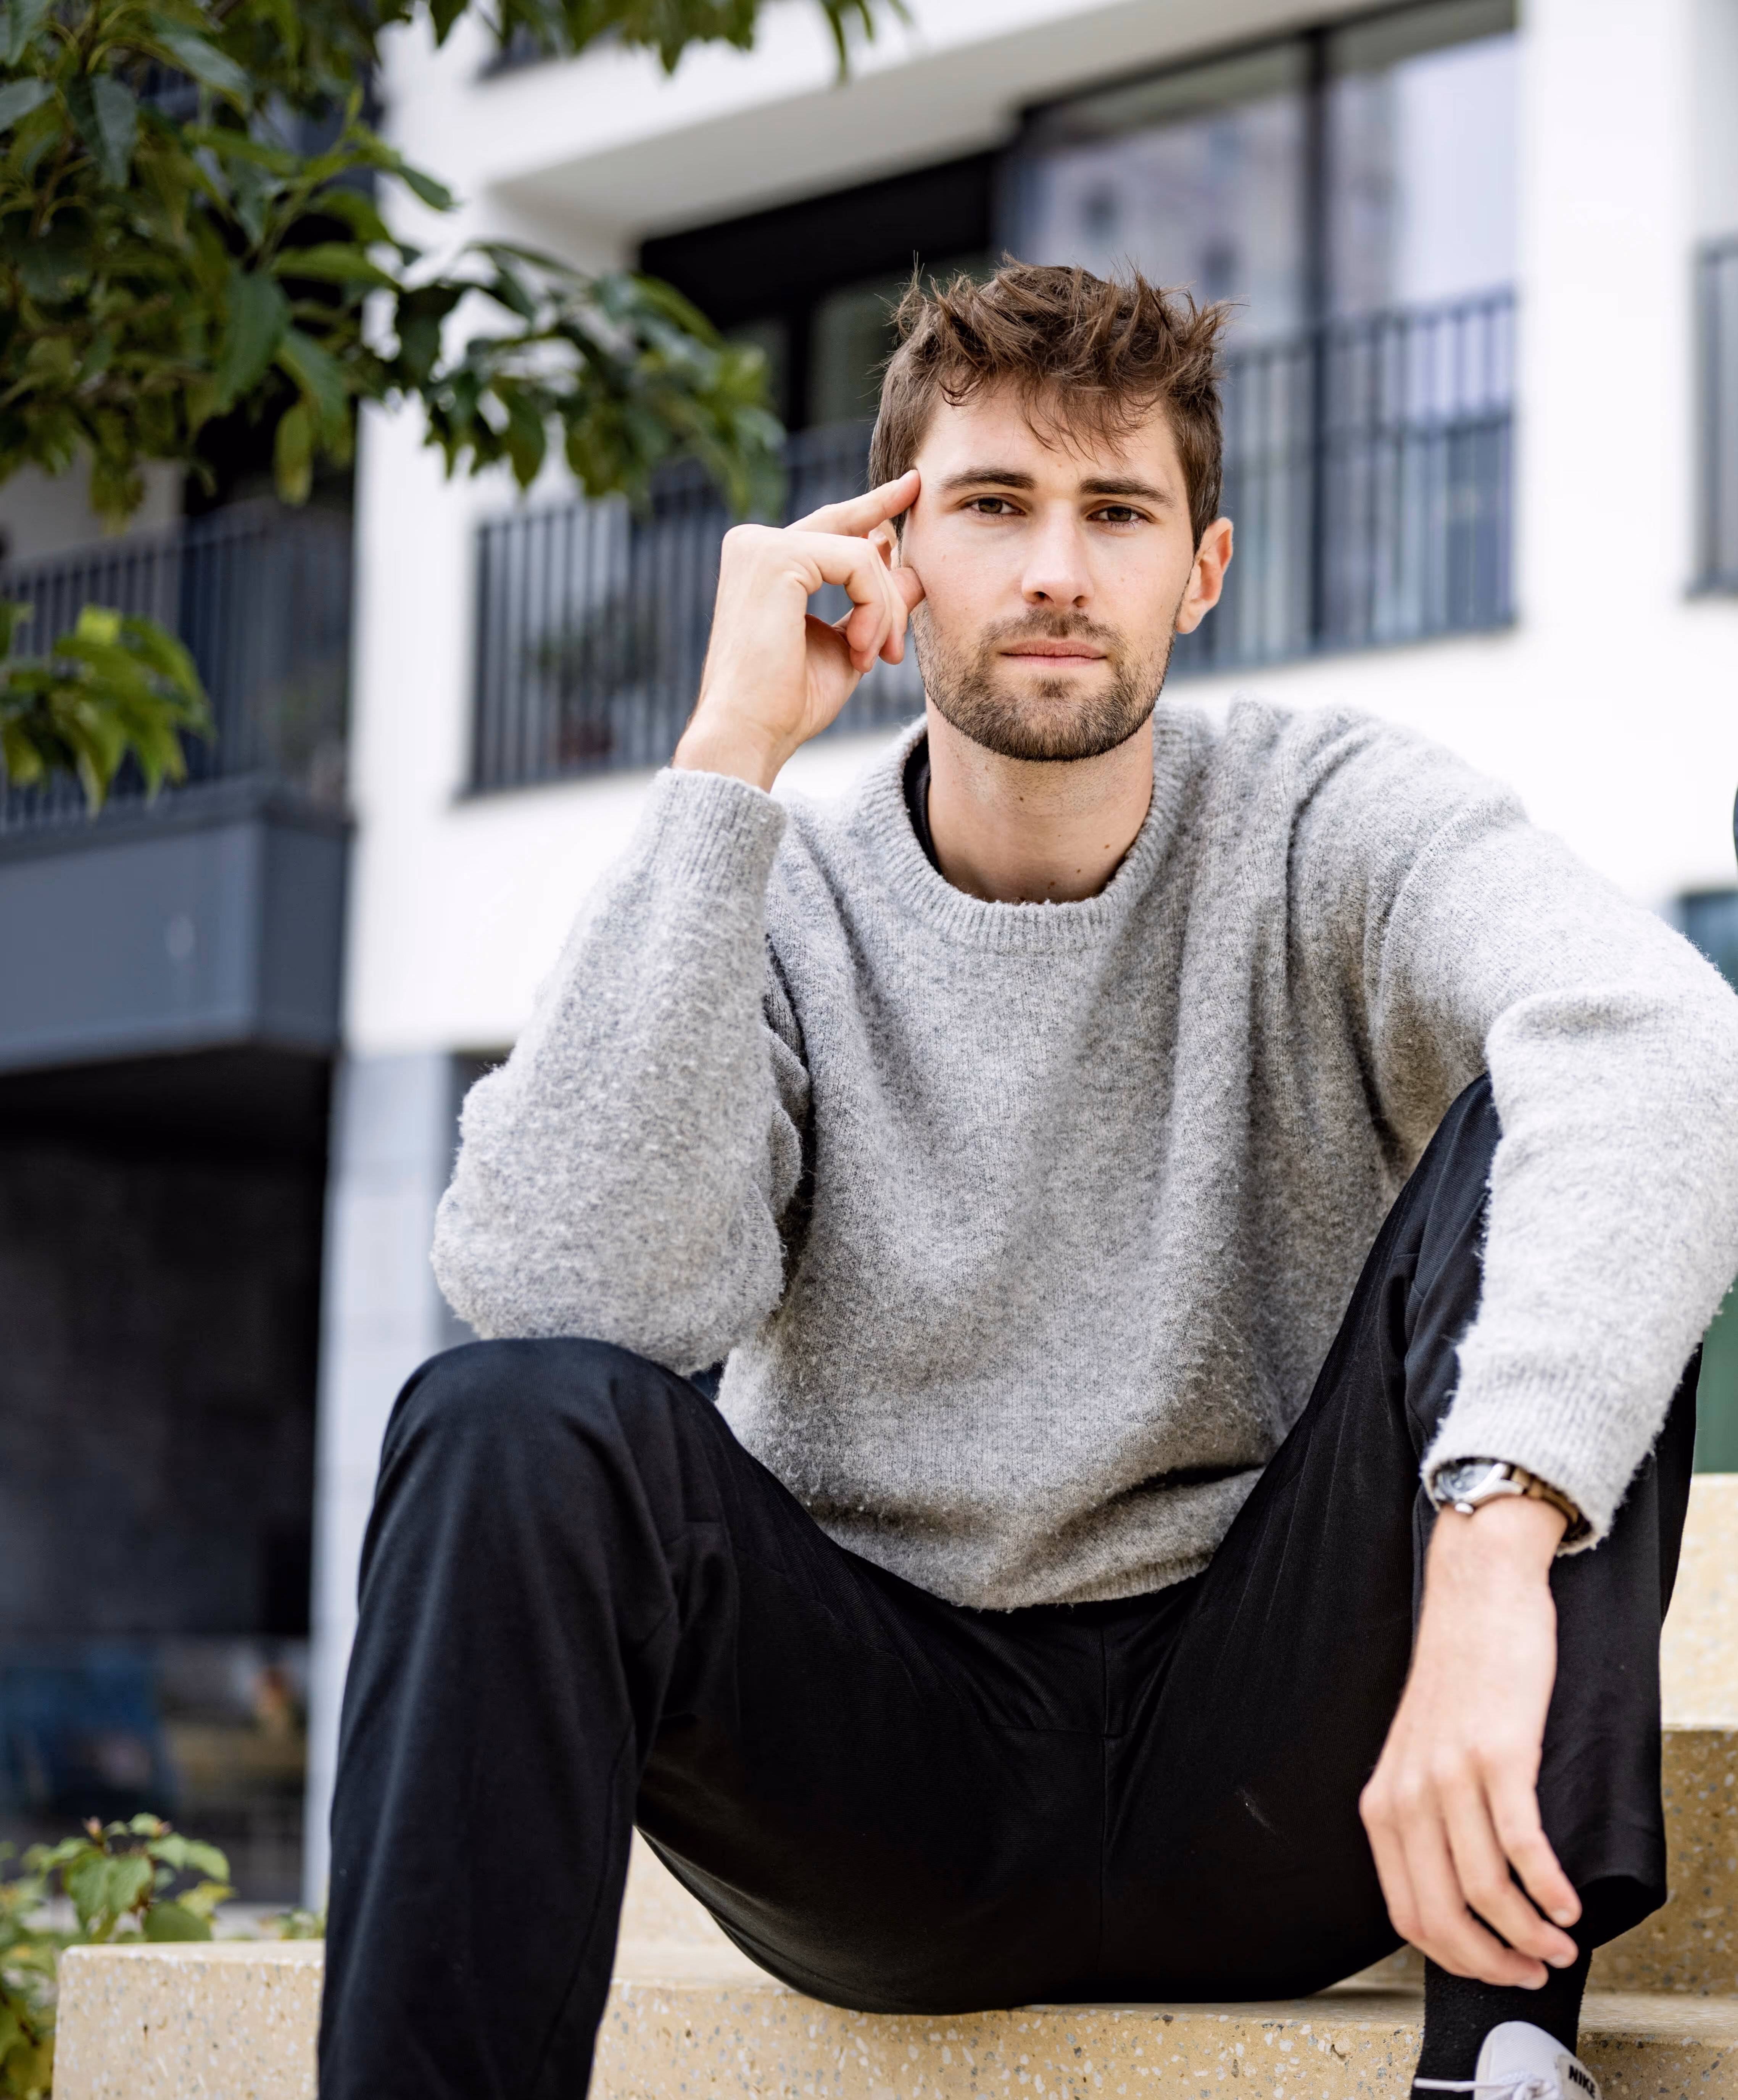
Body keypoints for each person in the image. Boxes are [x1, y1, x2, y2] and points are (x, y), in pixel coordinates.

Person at [318, 263, 1738, 2100]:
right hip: (888, 1788)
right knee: (501, 1417)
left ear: (1200, 572)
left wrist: (1488, 1545)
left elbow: (1665, 1042)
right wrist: (725, 760)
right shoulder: (778, 896)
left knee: (1564, 1130)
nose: (1058, 569)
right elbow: (561, 1296)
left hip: (1283, 1760)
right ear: (893, 559)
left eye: (1115, 512)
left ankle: (1499, 2067)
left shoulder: (1328, 817)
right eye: (993, 503)